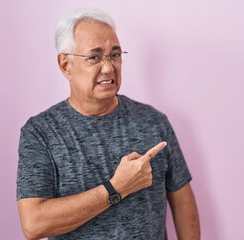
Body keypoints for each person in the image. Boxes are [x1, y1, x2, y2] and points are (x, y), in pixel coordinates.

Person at [17, 7, 200, 240]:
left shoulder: (153, 122)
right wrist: (117, 188)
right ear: (66, 65)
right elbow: (33, 224)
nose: (108, 67)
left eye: (114, 54)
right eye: (94, 57)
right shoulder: (40, 133)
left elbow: (183, 199)